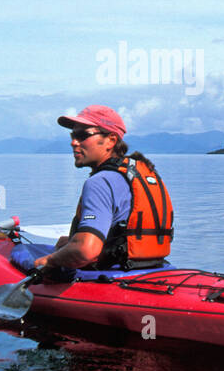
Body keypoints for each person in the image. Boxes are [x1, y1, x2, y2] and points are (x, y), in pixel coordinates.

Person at [24, 105, 173, 279]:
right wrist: (72, 241)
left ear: (110, 140)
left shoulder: (99, 182)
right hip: (152, 269)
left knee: (22, 254)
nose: (73, 142)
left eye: (82, 136)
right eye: (73, 136)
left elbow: (86, 250)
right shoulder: (142, 173)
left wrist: (48, 261)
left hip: (113, 276)